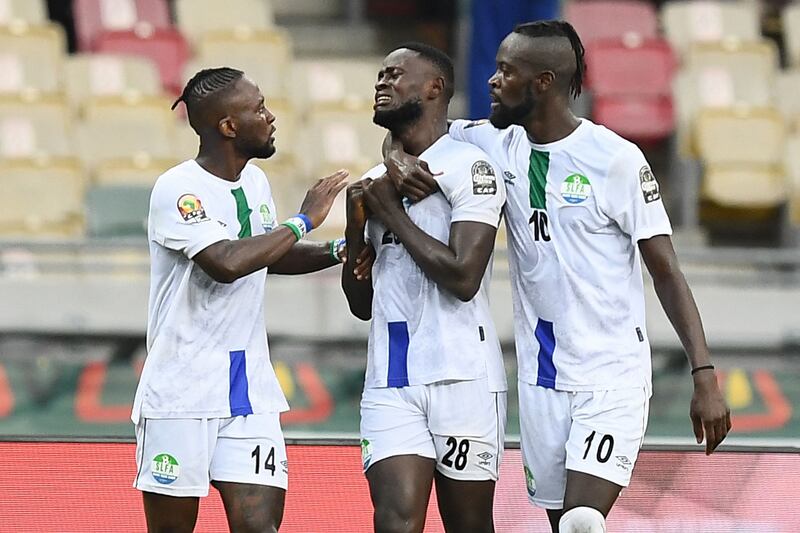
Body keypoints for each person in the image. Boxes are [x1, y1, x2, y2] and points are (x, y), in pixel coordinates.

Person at [383, 21, 731, 533]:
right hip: (542, 379)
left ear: (543, 82)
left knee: (581, 522)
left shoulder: (615, 159)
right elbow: (409, 132)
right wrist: (393, 158)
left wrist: (704, 374)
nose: (492, 82)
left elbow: (667, 271)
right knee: (561, 523)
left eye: (506, 71)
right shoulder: (491, 143)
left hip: (610, 375)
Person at [131, 67, 353, 533]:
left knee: (260, 528)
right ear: (229, 127)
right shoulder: (179, 189)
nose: (270, 117)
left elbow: (265, 256)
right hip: (181, 391)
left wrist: (338, 251)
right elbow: (226, 263)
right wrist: (304, 221)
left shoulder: (254, 184)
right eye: (258, 109)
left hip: (247, 388)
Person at [341, 43, 507, 533]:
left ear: (435, 87)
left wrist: (390, 212)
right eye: (379, 74)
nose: (382, 83)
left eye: (395, 74)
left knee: (468, 525)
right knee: (395, 522)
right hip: (391, 378)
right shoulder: (374, 181)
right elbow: (361, 304)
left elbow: (463, 277)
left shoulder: (471, 167)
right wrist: (356, 230)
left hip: (463, 376)